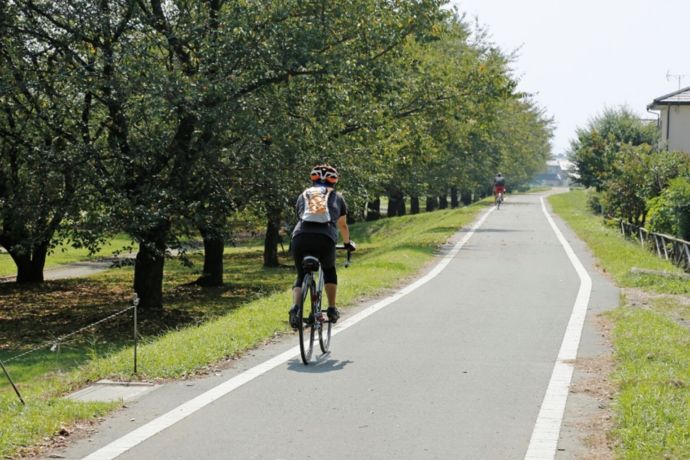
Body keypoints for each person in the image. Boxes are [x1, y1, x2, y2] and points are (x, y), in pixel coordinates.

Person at [289, 164, 355, 329]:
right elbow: (342, 225)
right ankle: (331, 309)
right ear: (334, 182)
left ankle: (296, 308)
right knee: (329, 270)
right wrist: (347, 244)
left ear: (313, 180)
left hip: (300, 237)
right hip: (324, 238)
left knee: (300, 274)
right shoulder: (337, 197)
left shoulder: (304, 194)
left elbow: (299, 216)